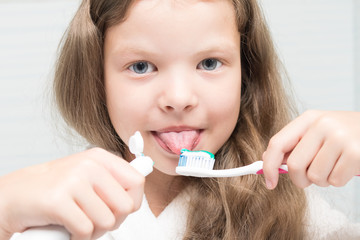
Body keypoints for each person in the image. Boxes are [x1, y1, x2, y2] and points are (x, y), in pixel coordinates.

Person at [1, 0, 359, 239]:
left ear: (246, 76)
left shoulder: (297, 214)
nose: (178, 98)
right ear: (97, 79)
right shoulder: (54, 209)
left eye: (209, 63)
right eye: (141, 66)